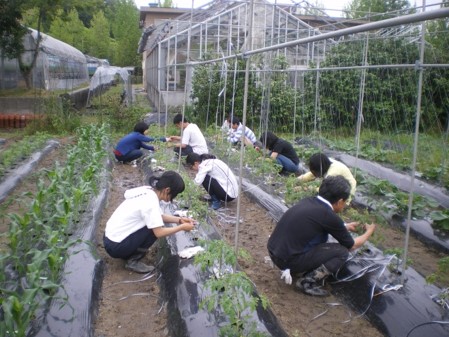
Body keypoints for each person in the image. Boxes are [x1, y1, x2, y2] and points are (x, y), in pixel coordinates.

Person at [267, 175, 376, 296]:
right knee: (341, 252)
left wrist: (345, 226)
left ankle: (297, 268)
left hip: (274, 252)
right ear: (340, 201)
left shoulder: (309, 201)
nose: (344, 205)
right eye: (345, 202)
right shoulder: (328, 216)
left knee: (320, 237)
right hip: (287, 261)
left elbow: (318, 222)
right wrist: (369, 232)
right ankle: (307, 282)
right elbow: (352, 245)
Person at [103, 171, 196, 273]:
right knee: (153, 229)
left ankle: (128, 251)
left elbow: (159, 216)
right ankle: (132, 261)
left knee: (155, 223)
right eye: (174, 194)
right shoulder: (150, 202)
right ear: (167, 190)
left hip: (110, 238)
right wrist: (181, 227)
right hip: (115, 247)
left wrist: (179, 220)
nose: (173, 198)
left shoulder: (148, 191)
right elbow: (159, 232)